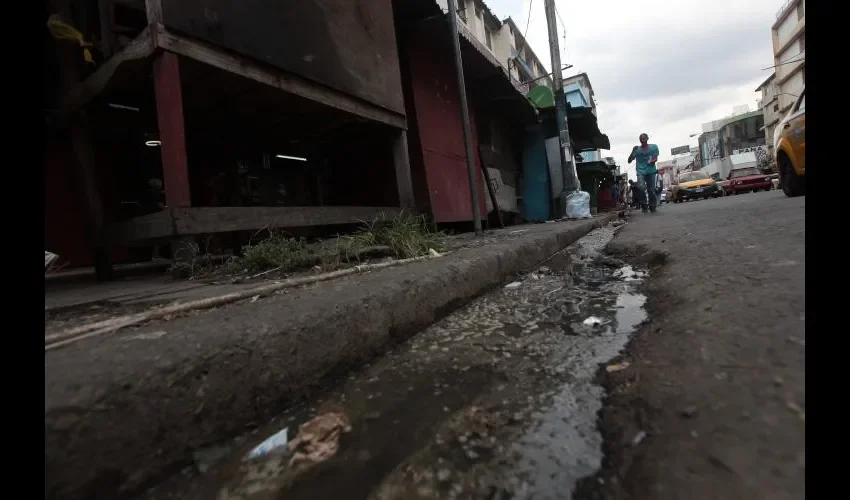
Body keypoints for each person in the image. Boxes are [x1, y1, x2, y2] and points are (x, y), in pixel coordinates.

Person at [627, 133, 660, 213]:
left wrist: (651, 161)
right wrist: (632, 151)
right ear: (639, 140)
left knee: (651, 189)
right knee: (641, 187)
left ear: (647, 139)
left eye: (644, 138)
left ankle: (652, 206)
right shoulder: (637, 149)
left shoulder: (653, 147)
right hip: (640, 171)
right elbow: (629, 161)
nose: (642, 140)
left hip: (651, 170)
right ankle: (644, 204)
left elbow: (655, 158)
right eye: (641, 139)